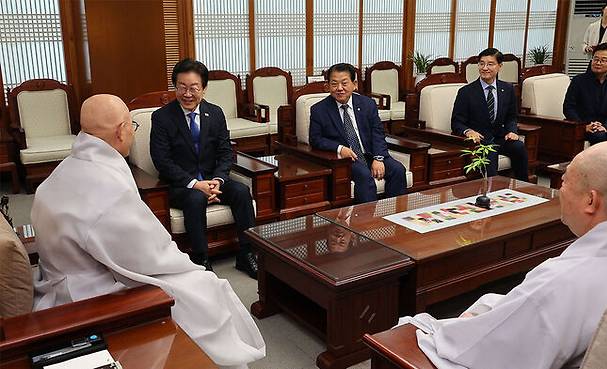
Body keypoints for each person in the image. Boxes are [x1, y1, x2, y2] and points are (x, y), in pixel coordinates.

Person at [31, 94, 266, 369]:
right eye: (132, 125)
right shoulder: (105, 187)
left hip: (71, 271)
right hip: (89, 290)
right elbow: (149, 255)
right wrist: (189, 267)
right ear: (121, 131)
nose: (133, 130)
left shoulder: (67, 169)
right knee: (205, 287)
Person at [398, 140, 607, 369]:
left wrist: (432, 327)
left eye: (564, 181)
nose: (560, 189)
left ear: (591, 201)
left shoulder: (561, 282)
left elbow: (479, 350)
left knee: (408, 330)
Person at [150, 58, 257, 278]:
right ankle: (201, 259)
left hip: (212, 180)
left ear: (204, 89)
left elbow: (226, 152)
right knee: (195, 198)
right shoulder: (162, 117)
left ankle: (247, 255)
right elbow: (161, 159)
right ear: (175, 87)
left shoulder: (215, 113)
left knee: (241, 192)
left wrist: (218, 180)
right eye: (182, 87)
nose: (187, 94)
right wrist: (195, 184)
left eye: (193, 88)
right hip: (180, 185)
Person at [309, 63, 406, 204]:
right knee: (364, 175)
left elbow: (378, 133)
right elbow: (315, 139)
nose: (339, 88)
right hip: (346, 159)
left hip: (370, 154)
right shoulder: (319, 110)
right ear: (328, 86)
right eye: (334, 84)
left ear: (354, 84)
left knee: (398, 170)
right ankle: (366, 223)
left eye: (344, 83)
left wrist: (378, 158)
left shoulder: (368, 104)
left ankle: (393, 214)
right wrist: (340, 149)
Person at [451, 48, 529, 181]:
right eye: (481, 64)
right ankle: (492, 194)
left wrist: (512, 131)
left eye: (490, 64)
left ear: (500, 66)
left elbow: (511, 117)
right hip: (480, 141)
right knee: (490, 155)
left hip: (500, 138)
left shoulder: (508, 89)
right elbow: (456, 122)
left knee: (519, 147)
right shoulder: (466, 92)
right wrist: (468, 131)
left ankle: (523, 187)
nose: (485, 68)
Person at [564, 42, 607, 145]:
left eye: (603, 60)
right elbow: (568, 107)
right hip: (584, 124)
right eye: (596, 59)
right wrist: (583, 126)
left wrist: (606, 126)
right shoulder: (578, 81)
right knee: (598, 136)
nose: (598, 63)